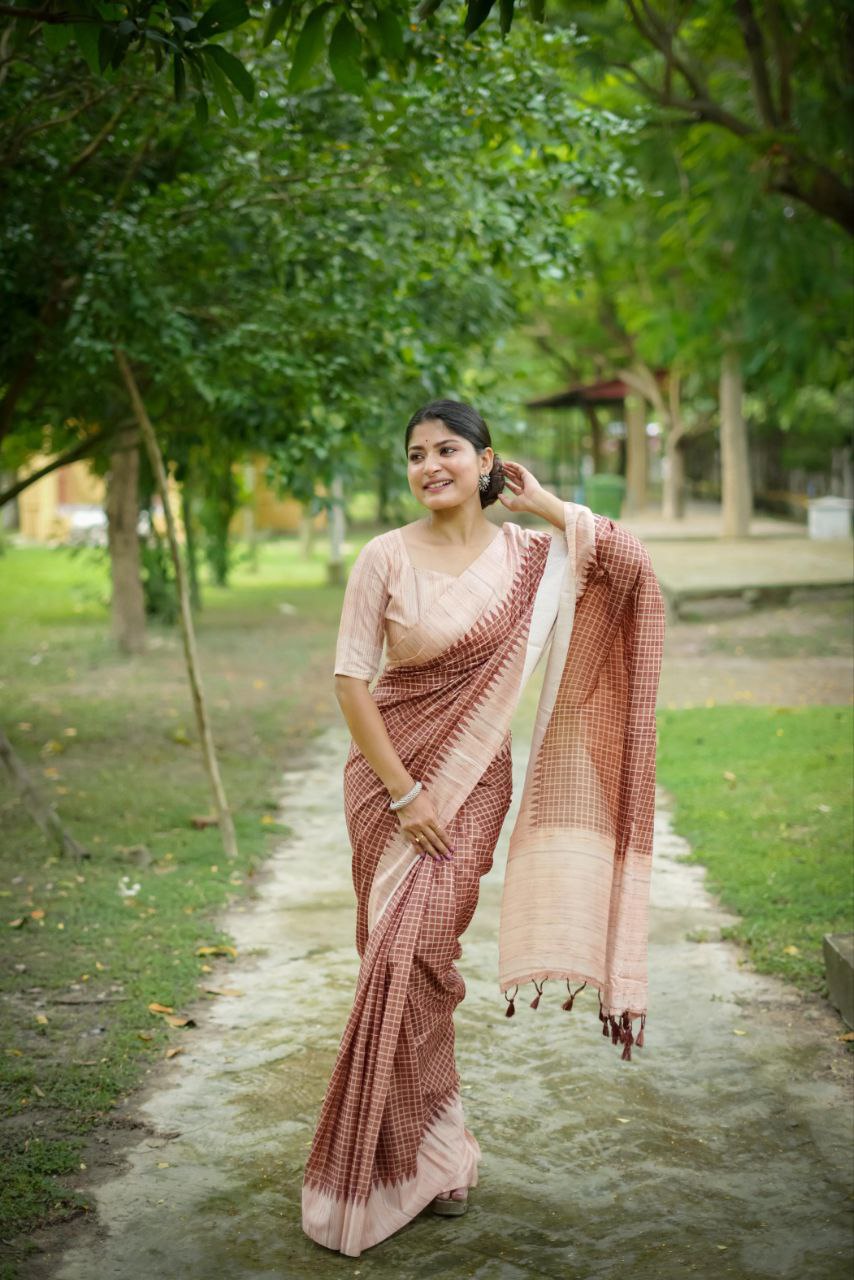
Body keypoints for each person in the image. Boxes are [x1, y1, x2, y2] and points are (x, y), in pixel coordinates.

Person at [302, 399, 665, 1258]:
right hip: (389, 784)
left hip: (473, 785)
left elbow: (635, 570)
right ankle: (440, 1149)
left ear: (484, 460)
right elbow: (353, 683)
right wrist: (403, 793)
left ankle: (425, 1150)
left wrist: (544, 504)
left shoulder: (533, 557)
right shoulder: (382, 557)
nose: (432, 466)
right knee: (393, 959)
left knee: (416, 950)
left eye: (449, 450)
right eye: (417, 454)